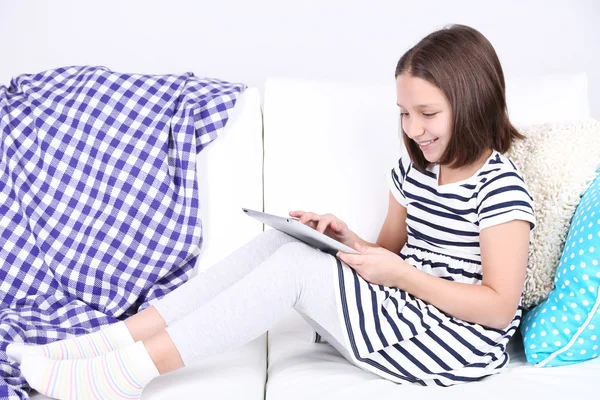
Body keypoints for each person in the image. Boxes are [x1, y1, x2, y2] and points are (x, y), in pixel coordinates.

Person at [9, 24, 535, 398]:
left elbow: (496, 308)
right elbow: (387, 254)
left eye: (427, 114)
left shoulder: (499, 190)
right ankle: (107, 342)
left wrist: (398, 273)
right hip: (401, 310)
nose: (414, 130)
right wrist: (346, 237)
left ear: (471, 102)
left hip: (455, 343)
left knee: (295, 269)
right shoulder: (413, 172)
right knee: (289, 242)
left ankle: (125, 372)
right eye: (404, 114)